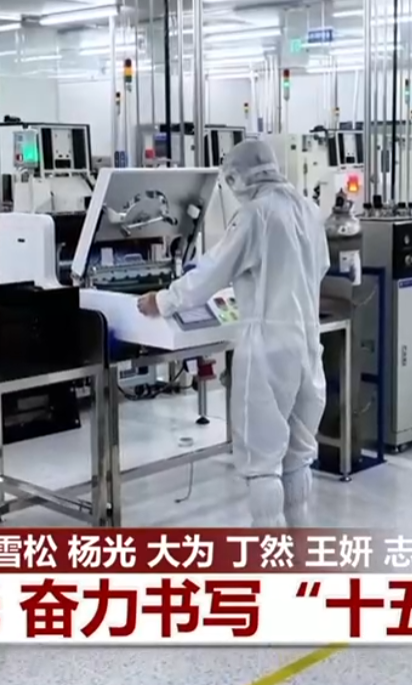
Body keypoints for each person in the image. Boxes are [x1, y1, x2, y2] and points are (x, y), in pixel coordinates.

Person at [137, 139, 329, 528]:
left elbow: (211, 273)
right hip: (309, 345)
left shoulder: (255, 215)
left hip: (267, 350)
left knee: (263, 464)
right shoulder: (309, 210)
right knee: (297, 457)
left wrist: (163, 300)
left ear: (239, 177)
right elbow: (320, 266)